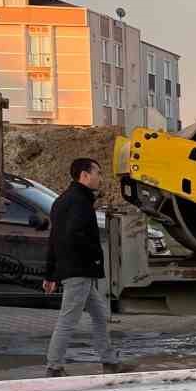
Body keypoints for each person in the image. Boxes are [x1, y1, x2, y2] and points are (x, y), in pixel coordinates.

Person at [43, 158, 132, 376]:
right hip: (79, 270)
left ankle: (109, 361)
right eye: (97, 173)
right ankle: (54, 367)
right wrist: (94, 254)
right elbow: (75, 235)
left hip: (75, 269)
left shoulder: (62, 200)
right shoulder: (79, 202)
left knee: (100, 314)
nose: (100, 178)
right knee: (68, 319)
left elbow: (53, 238)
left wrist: (50, 273)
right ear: (84, 175)